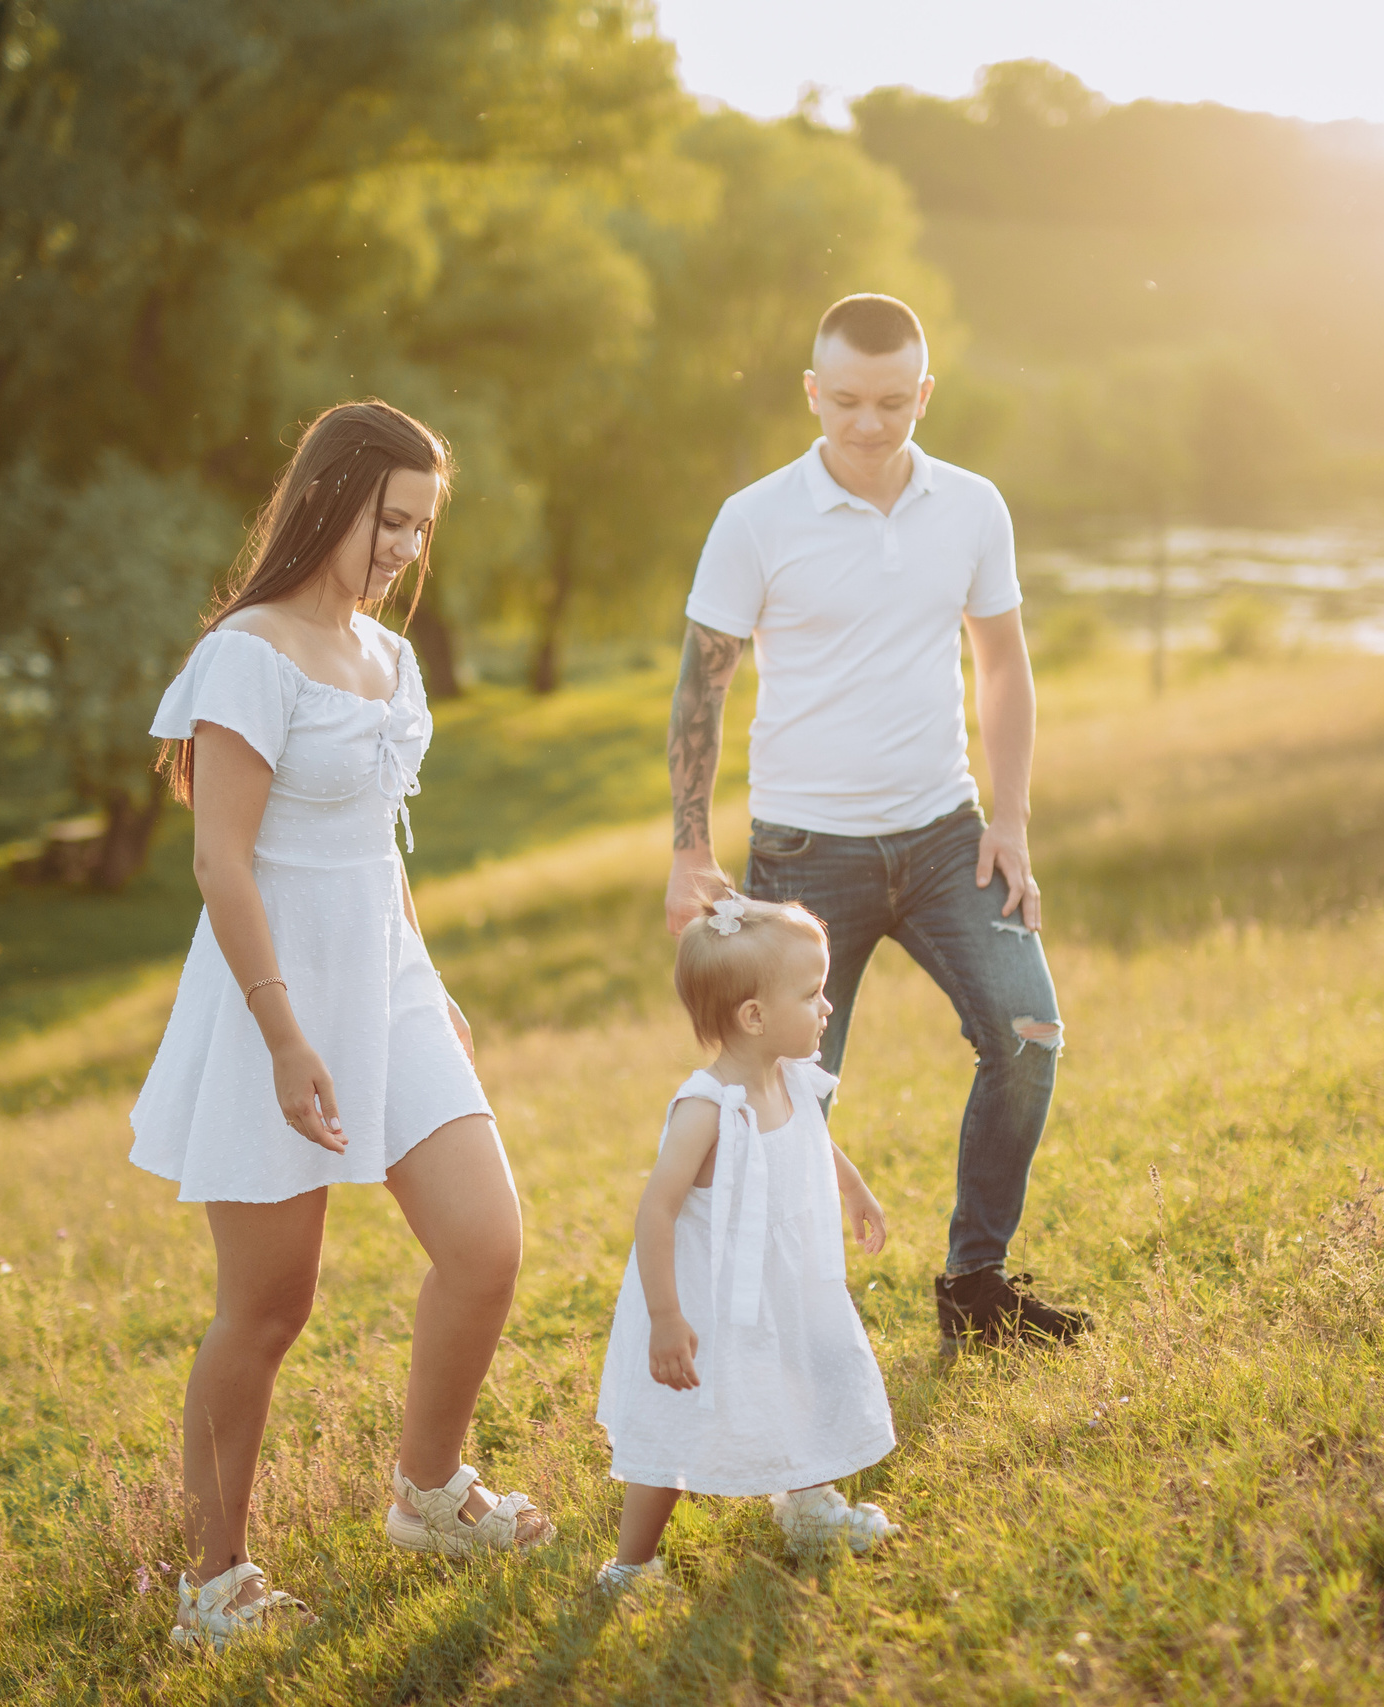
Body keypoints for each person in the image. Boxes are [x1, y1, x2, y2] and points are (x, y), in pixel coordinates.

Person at [130, 399, 553, 1651]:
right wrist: (284, 1037)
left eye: (421, 528)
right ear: (328, 499)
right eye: (391, 521)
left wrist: (429, 979)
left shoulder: (390, 659)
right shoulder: (247, 654)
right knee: (270, 1306)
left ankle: (428, 1493)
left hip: (390, 982)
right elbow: (221, 862)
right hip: (273, 998)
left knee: (486, 1242)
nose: (406, 549)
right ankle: (214, 1586)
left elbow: (377, 841)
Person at [664, 293, 1090, 1350]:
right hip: (804, 855)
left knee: (1028, 1033)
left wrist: (1010, 821)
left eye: (892, 402)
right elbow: (701, 688)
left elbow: (1003, 666)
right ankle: (784, 1320)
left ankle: (977, 1286)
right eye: (847, 400)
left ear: (924, 394)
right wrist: (689, 849)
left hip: (948, 837)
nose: (868, 422)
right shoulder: (754, 518)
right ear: (812, 391)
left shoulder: (972, 507)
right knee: (785, 1093)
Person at [593, 894, 901, 1593]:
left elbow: (814, 1139)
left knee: (803, 1377)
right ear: (754, 1017)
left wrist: (855, 1188)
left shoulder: (787, 1075)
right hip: (704, 1299)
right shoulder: (705, 1107)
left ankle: (810, 1506)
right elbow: (656, 1211)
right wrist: (666, 1316)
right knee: (674, 1425)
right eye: (813, 994)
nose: (827, 1006)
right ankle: (631, 1565)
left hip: (781, 1284)